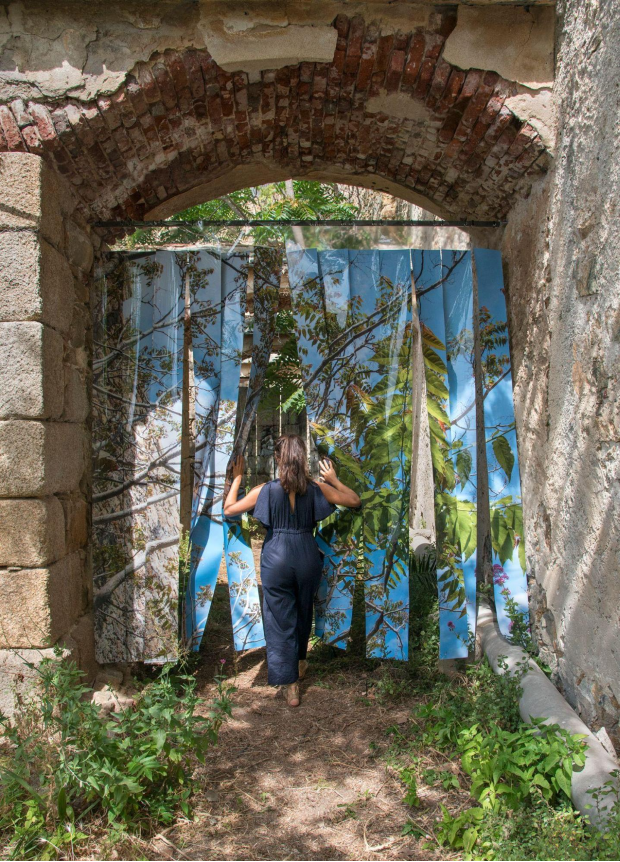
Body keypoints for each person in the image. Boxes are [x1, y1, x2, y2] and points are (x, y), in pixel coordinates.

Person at [223, 434, 361, 707]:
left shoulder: (264, 490)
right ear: (302, 458)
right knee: (302, 610)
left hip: (276, 557)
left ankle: (290, 685)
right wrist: (332, 478)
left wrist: (237, 477)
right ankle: (299, 662)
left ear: (277, 458)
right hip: (307, 555)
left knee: (279, 617)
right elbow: (354, 500)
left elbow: (229, 510)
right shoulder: (316, 488)